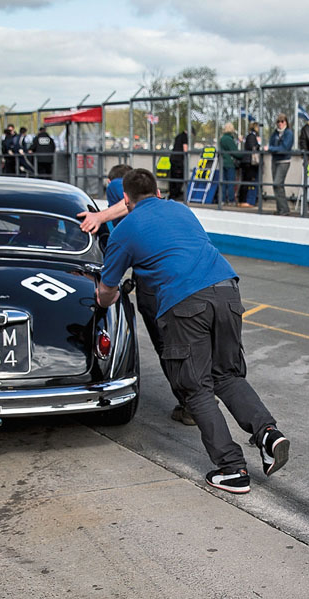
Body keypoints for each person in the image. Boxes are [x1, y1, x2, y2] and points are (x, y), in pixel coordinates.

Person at [90, 168, 290, 493]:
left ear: (126, 199)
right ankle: (268, 433)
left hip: (184, 302)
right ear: (157, 191)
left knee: (196, 387)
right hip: (227, 288)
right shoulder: (181, 209)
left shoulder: (124, 230)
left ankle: (232, 469)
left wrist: (105, 298)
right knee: (227, 375)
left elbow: (107, 292)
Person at [102, 163, 197, 427]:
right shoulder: (173, 207)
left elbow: (125, 206)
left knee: (167, 347)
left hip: (153, 284)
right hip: (190, 281)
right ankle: (199, 399)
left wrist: (99, 217)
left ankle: (190, 403)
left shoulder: (116, 188)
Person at [266, 114, 294, 215]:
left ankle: (284, 209)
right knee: (276, 185)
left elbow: (284, 148)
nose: (280, 124)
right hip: (275, 160)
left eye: (282, 121)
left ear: (286, 122)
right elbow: (271, 144)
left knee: (277, 183)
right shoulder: (275, 134)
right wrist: (273, 148)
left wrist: (272, 149)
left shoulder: (289, 133)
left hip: (284, 161)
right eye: (278, 122)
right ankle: (280, 209)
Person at [238, 122, 261, 207]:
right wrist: (258, 144)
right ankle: (243, 201)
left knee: (246, 181)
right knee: (246, 181)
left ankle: (242, 200)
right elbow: (252, 147)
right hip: (249, 162)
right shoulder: (252, 136)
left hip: (247, 161)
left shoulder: (250, 136)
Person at [218, 122, 240, 204]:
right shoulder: (229, 139)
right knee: (230, 182)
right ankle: (231, 200)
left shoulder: (222, 138)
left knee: (223, 182)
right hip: (230, 163)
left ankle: (222, 199)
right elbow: (235, 152)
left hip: (222, 162)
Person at [168, 130, 189, 201]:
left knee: (173, 176)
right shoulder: (185, 137)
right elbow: (185, 149)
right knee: (180, 177)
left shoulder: (178, 136)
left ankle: (172, 194)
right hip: (178, 160)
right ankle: (176, 194)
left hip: (173, 158)